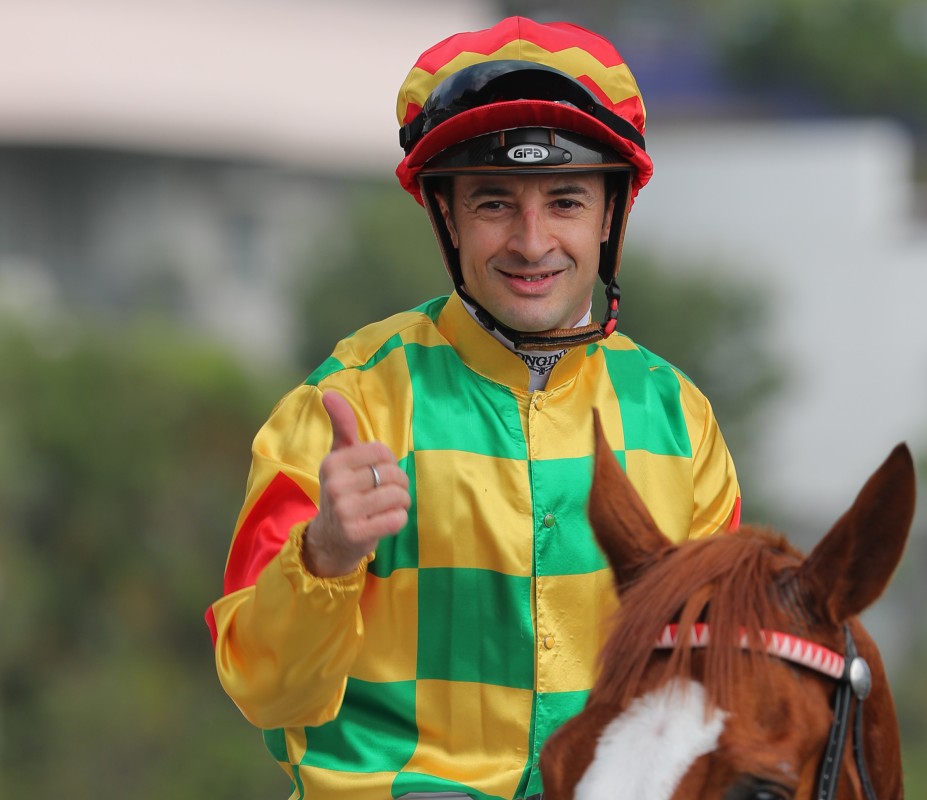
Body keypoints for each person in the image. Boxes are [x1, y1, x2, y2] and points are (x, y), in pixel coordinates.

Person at [207, 16, 741, 800]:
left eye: (564, 201)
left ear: (608, 216)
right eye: (494, 203)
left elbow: (718, 691)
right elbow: (263, 692)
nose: (531, 242)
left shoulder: (679, 420)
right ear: (447, 217)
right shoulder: (344, 400)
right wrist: (324, 554)